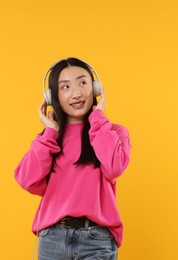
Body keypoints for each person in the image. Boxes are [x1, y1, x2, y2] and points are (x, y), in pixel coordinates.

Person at [14, 57, 131, 260]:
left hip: (96, 240)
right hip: (52, 240)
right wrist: (50, 132)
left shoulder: (113, 132)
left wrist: (98, 117)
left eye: (83, 83)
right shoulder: (48, 139)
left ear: (95, 89)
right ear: (52, 97)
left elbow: (114, 168)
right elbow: (27, 180)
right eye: (65, 87)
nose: (76, 94)